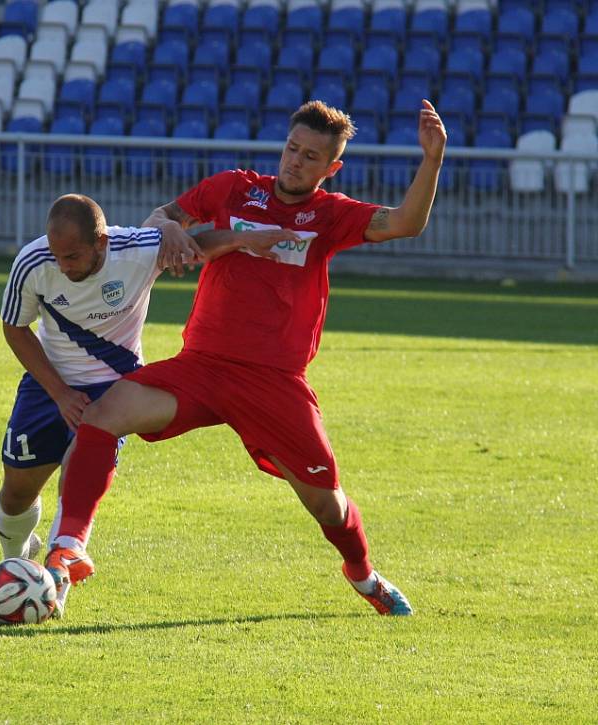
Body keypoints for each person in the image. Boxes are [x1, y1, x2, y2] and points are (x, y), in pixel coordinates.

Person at [45, 99, 447, 617]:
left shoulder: (331, 215)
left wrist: (431, 161)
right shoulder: (235, 189)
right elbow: (161, 217)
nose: (295, 162)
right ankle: (68, 548)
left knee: (327, 503)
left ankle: (363, 574)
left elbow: (406, 224)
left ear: (332, 168)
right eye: (292, 149)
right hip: (202, 367)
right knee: (101, 418)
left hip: (275, 384)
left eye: (310, 157)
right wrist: (170, 229)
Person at [0, 193, 296, 582]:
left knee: (77, 471)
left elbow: (197, 246)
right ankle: (15, 558)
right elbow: (14, 327)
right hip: (50, 384)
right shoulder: (34, 262)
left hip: (116, 390)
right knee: (17, 493)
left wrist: (243, 240)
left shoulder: (135, 249)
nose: (62, 265)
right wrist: (60, 393)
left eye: (72, 257)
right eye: (56, 254)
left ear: (101, 243)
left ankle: (57, 571)